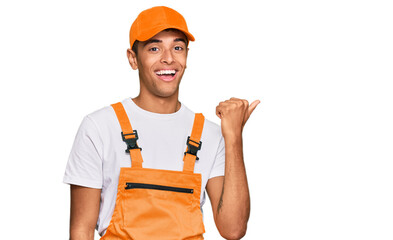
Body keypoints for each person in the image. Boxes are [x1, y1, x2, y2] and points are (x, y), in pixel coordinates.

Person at [63, 6, 259, 240]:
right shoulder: (99, 127)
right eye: (154, 48)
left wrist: (234, 137)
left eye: (178, 47)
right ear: (133, 58)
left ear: (187, 56)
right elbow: (81, 230)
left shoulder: (210, 134)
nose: (168, 58)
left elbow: (233, 229)